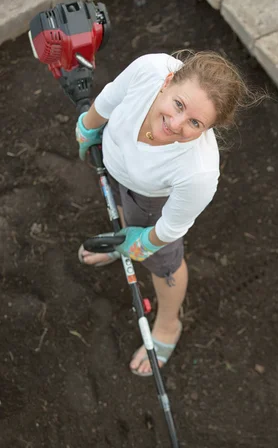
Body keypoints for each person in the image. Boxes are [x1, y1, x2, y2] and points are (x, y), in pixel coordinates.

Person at [76, 50, 262, 376]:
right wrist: (88, 127)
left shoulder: (198, 174)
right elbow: (108, 99)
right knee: (122, 213)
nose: (175, 124)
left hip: (152, 201)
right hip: (116, 164)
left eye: (195, 123)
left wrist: (143, 242)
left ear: (210, 128)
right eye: (179, 105)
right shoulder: (149, 70)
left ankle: (167, 326)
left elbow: (171, 228)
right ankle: (121, 241)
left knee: (165, 265)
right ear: (166, 83)